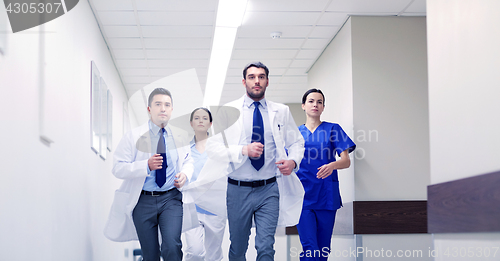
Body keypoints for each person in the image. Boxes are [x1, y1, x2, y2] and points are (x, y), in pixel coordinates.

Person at [205, 62, 305, 261]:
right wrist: (243, 150)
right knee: (238, 248)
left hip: (269, 189)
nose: (256, 81)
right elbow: (212, 148)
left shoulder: (281, 111)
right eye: (251, 77)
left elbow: (296, 142)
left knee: (266, 246)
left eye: (261, 77)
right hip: (237, 189)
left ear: (267, 81)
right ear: (244, 82)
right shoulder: (227, 111)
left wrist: (293, 161)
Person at [104, 88, 194, 261]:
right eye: (158, 104)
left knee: (172, 246)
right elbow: (118, 167)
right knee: (150, 254)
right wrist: (145, 165)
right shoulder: (133, 137)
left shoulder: (180, 136)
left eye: (167, 105)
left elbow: (189, 160)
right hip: (143, 201)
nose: (163, 109)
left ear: (171, 109)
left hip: (171, 199)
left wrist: (185, 174)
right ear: (149, 109)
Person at [295, 89, 356, 261]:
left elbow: (346, 161)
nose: (315, 104)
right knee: (310, 249)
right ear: (303, 105)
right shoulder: (294, 134)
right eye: (311, 101)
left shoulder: (333, 129)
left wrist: (332, 165)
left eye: (319, 102)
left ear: (323, 107)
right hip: (303, 197)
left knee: (323, 251)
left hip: (326, 196)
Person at [183, 107, 226, 261]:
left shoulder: (219, 149)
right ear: (191, 123)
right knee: (194, 252)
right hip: (192, 208)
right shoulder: (185, 151)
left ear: (210, 123)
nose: (201, 121)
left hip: (215, 209)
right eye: (196, 118)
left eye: (204, 118)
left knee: (213, 254)